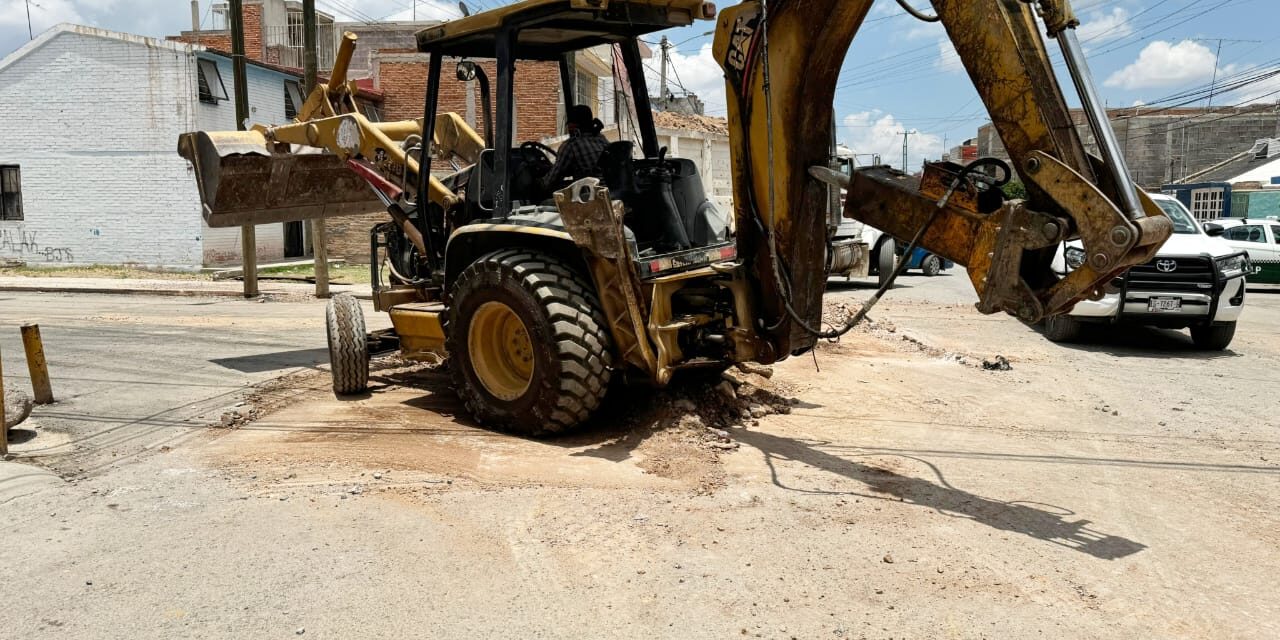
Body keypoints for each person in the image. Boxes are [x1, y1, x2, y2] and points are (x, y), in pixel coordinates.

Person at [541, 104, 609, 190]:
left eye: (570, 124)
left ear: (574, 126)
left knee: (545, 202)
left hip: (592, 197)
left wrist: (537, 183)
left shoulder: (571, 145)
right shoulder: (601, 139)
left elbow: (550, 181)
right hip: (610, 191)